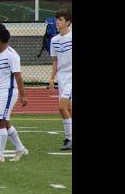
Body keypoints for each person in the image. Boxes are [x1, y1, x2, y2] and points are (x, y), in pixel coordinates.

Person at [0, 24, 28, 163]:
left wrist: (23, 95)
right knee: (5, 122)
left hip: (8, 92)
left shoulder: (12, 55)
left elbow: (18, 76)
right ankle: (20, 149)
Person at [48, 9, 72, 150]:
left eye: (61, 19)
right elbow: (55, 61)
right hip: (62, 77)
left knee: (62, 107)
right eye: (57, 19)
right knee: (69, 108)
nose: (58, 22)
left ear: (68, 22)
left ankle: (69, 138)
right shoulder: (54, 40)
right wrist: (52, 78)